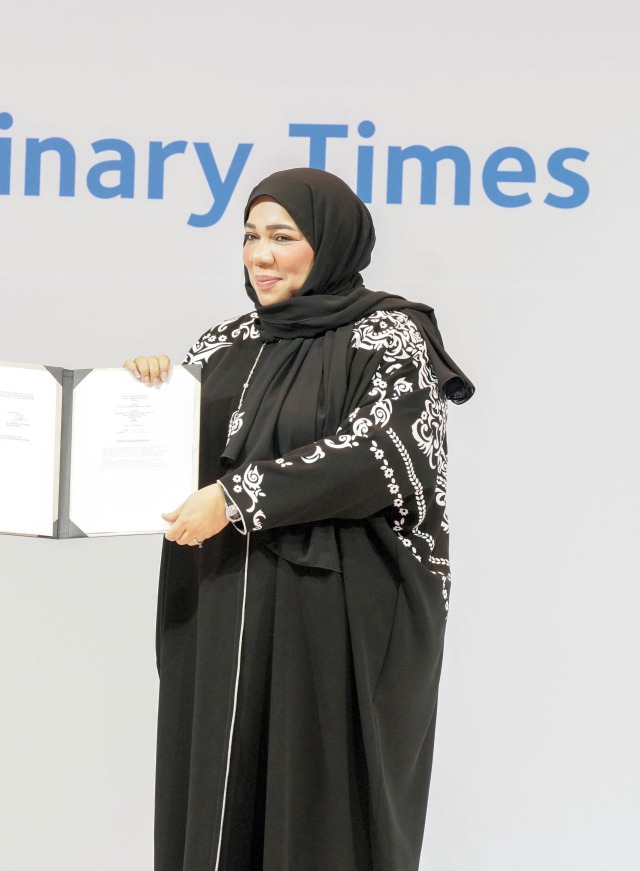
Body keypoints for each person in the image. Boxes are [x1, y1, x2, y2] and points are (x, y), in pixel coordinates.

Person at [126, 167, 474, 871]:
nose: (260, 254)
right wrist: (144, 396)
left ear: (330, 243)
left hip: (331, 623)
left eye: (282, 236)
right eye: (250, 236)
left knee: (315, 816)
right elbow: (166, 463)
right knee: (219, 807)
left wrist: (237, 497)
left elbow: (380, 452)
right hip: (222, 613)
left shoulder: (390, 336)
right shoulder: (222, 344)